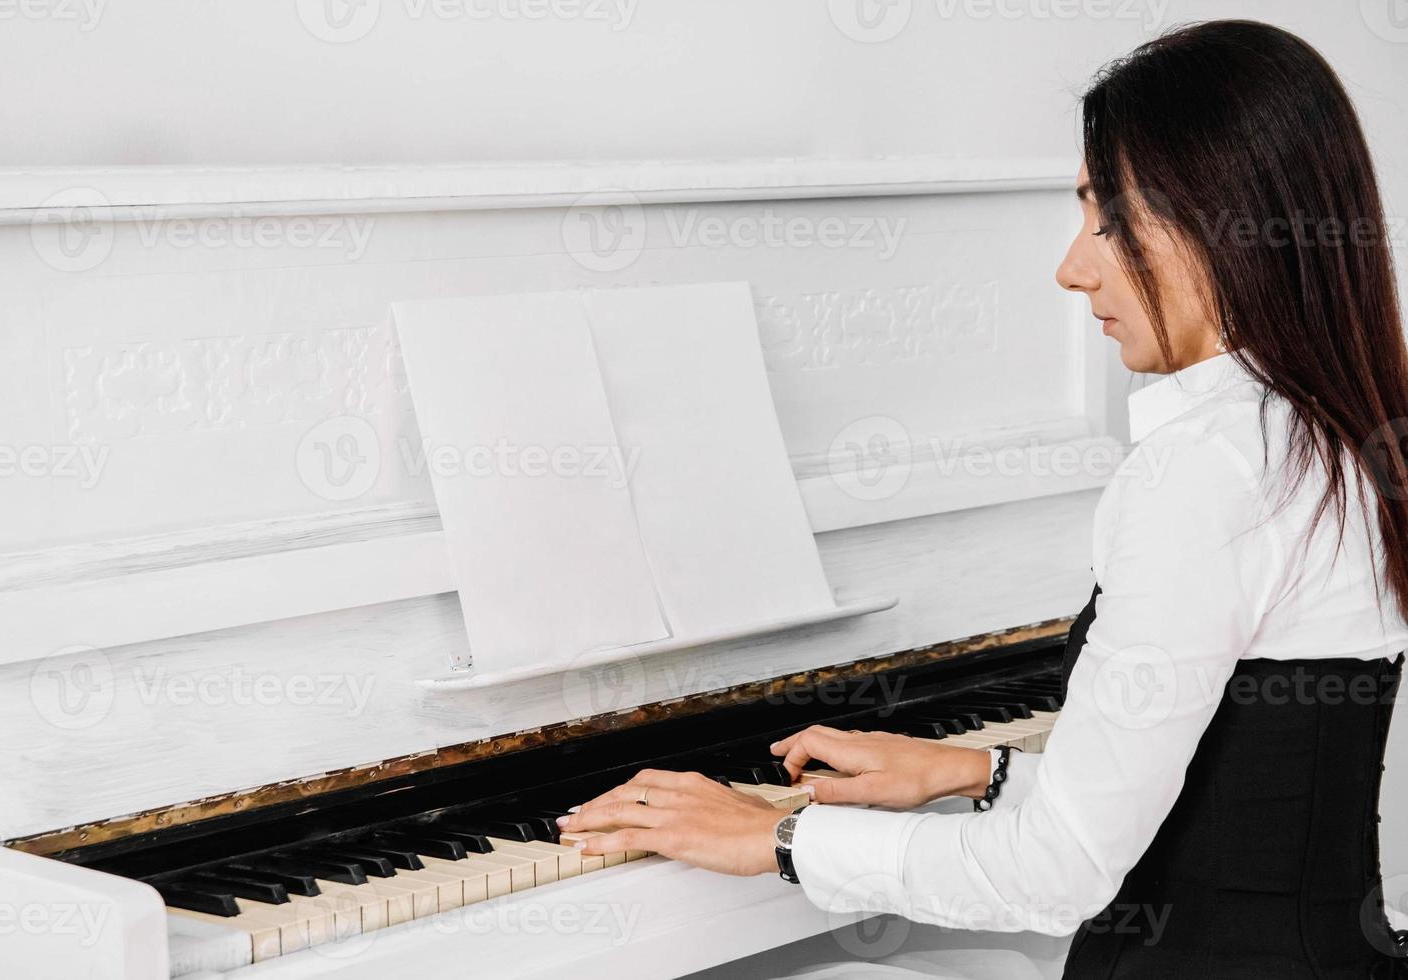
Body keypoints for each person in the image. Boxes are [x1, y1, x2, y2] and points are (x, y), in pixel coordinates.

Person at [559, 20, 1408, 978]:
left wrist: (778, 840)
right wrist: (977, 771)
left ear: (1217, 220)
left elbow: (1060, 874)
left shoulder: (1207, 468)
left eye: (1107, 218)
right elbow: (1242, 798)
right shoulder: (1337, 437)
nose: (1073, 265)